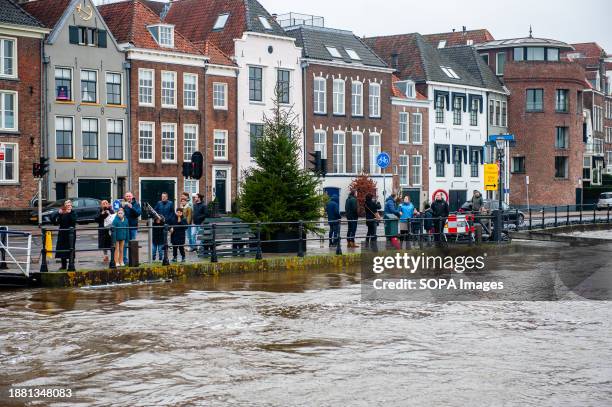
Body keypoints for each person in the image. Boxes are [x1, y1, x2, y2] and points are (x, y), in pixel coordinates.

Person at [52, 200, 77, 270]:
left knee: (71, 248)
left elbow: (73, 222)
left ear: (71, 206)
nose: (68, 206)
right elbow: (55, 222)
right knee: (62, 249)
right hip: (62, 233)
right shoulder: (62, 213)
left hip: (70, 234)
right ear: (65, 206)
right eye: (66, 205)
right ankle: (63, 265)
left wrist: (69, 213)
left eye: (69, 205)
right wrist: (58, 213)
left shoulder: (73, 212)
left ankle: (71, 264)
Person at [122, 192, 142, 263]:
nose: (128, 197)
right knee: (124, 243)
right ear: (125, 197)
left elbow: (138, 213)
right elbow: (119, 214)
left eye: (129, 196)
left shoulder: (136, 204)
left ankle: (133, 259)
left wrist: (132, 207)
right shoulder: (123, 204)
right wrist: (122, 208)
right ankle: (124, 259)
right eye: (127, 196)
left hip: (133, 227)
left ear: (132, 197)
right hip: (125, 227)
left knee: (133, 243)